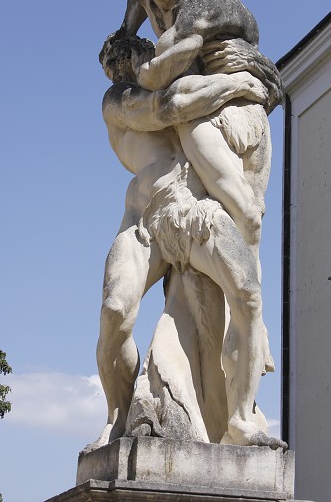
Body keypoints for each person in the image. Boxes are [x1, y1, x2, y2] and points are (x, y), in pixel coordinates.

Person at [93, 35, 286, 450]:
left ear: (146, 54)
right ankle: (116, 417)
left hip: (198, 216)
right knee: (115, 310)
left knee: (249, 297)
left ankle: (241, 419)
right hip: (146, 221)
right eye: (112, 64)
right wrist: (241, 84)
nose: (120, 67)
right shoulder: (118, 101)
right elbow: (172, 107)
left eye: (126, 56)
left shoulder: (191, 86)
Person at [104, 0, 283, 276]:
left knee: (243, 209)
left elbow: (161, 76)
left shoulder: (200, 5)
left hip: (230, 77)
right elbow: (125, 34)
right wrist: (125, 56)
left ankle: (248, 278)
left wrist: (141, 70)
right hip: (194, 89)